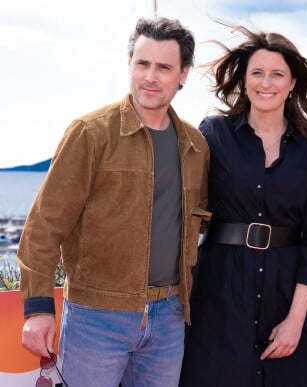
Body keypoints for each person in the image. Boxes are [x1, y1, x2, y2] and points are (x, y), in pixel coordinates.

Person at [17, 17, 210, 387]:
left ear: (183, 74)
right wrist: (38, 307)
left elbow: (197, 224)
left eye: (164, 67)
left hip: (169, 318)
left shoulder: (194, 146)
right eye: (142, 63)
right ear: (130, 65)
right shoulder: (90, 133)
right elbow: (45, 224)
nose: (150, 76)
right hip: (96, 317)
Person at [179, 24, 307, 387]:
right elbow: (184, 204)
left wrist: (296, 320)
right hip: (219, 296)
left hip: (289, 297)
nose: (267, 83)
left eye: (277, 74)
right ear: (244, 80)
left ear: (293, 82)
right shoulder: (214, 133)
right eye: (257, 73)